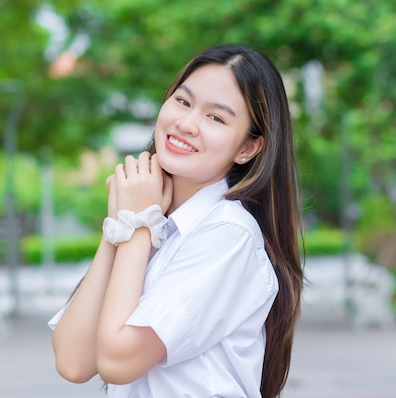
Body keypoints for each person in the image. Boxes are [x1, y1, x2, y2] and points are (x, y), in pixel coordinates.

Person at [48, 44, 303, 398]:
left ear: (249, 148)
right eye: (183, 101)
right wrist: (120, 224)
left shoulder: (228, 236)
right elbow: (74, 363)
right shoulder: (160, 224)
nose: (186, 124)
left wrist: (138, 224)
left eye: (216, 118)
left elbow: (117, 362)